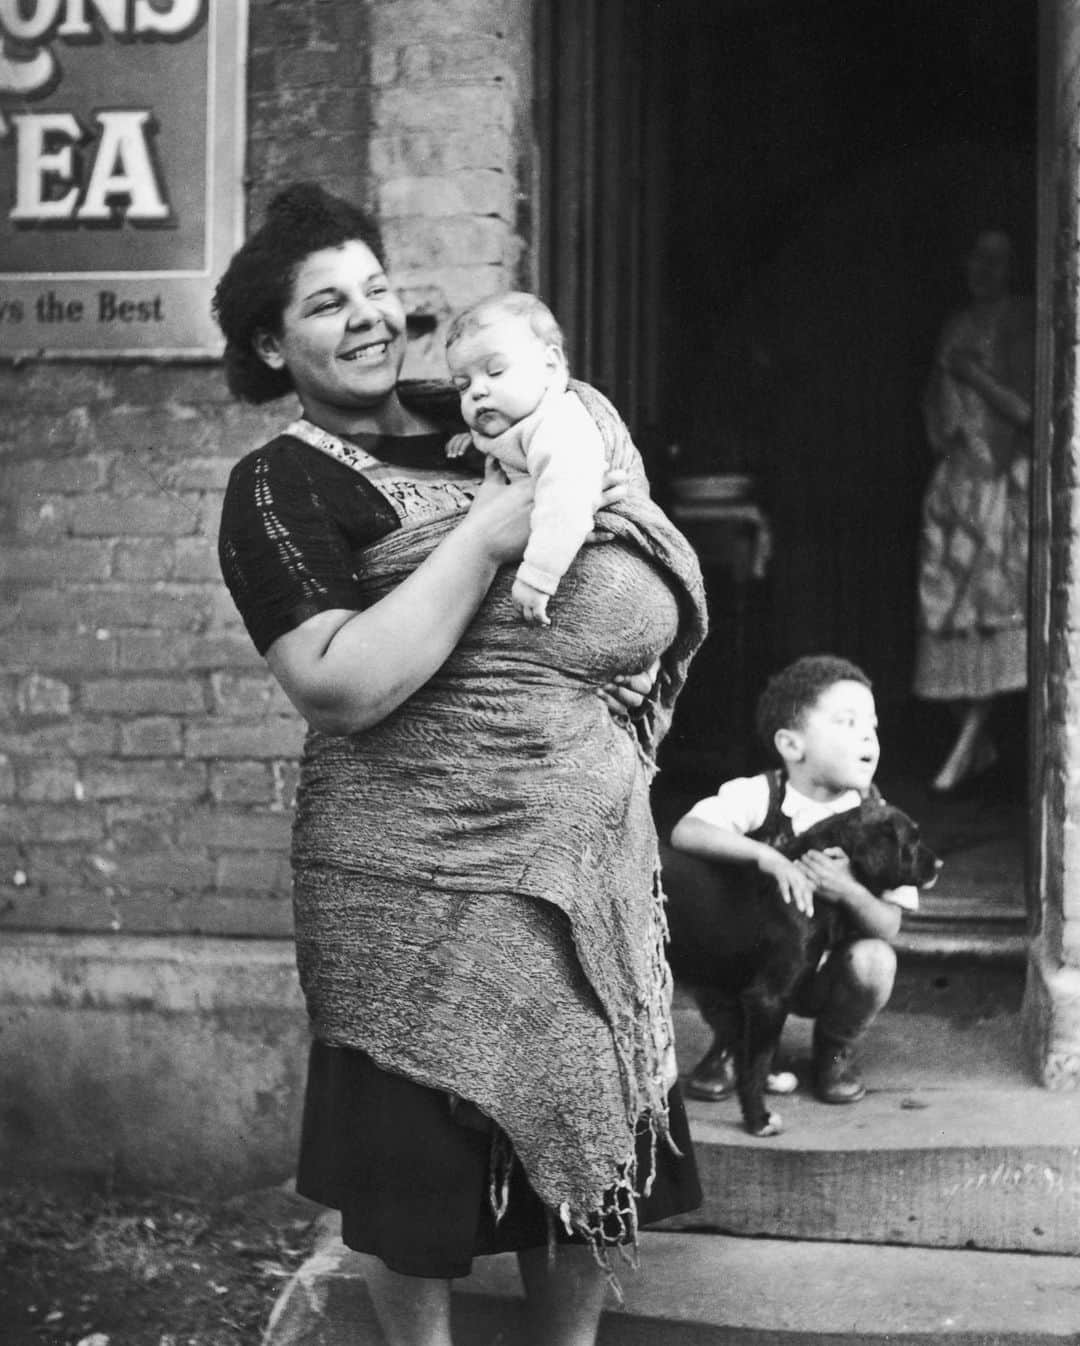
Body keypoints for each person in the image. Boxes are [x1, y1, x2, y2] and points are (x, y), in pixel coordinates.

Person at [212, 182, 708, 1346]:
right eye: (327, 304)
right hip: (413, 878)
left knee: (580, 1138)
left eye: (378, 288)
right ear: (269, 344)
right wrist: (491, 533)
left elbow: (615, 501)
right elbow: (341, 679)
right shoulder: (278, 484)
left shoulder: (481, 409)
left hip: (575, 861)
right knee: (411, 1162)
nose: (371, 317)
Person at [663, 654, 917, 1105]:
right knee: (703, 942)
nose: (867, 736)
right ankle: (733, 1042)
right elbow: (687, 831)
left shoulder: (881, 821)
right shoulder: (761, 794)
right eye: (847, 721)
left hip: (823, 973)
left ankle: (835, 1047)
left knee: (876, 961)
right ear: (792, 745)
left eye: (872, 726)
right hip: (755, 965)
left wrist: (849, 890)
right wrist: (766, 856)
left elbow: (889, 924)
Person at [914, 229, 1034, 794]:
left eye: (996, 257)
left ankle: (968, 746)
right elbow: (936, 406)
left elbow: (1026, 408)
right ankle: (974, 739)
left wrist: (974, 377)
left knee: (989, 606)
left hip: (998, 483)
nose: (983, 268)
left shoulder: (1021, 320)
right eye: (976, 255)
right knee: (947, 608)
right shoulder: (955, 324)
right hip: (957, 481)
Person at [445, 291, 607, 626]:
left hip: (562, 560)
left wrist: (537, 577)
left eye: (496, 371)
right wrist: (478, 443)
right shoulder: (519, 420)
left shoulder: (559, 425)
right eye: (463, 385)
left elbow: (564, 500)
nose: (476, 390)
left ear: (550, 364)